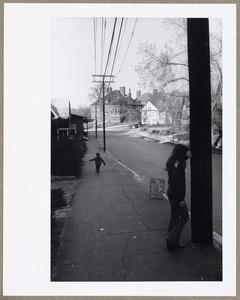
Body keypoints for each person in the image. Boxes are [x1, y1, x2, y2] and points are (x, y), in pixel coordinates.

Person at [165, 144, 192, 250]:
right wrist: (181, 199)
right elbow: (177, 184)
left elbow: (180, 161)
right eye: (185, 153)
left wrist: (187, 156)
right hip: (176, 196)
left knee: (174, 217)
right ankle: (172, 238)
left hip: (172, 194)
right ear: (180, 153)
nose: (186, 155)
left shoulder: (173, 161)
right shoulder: (176, 165)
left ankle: (170, 239)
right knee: (185, 217)